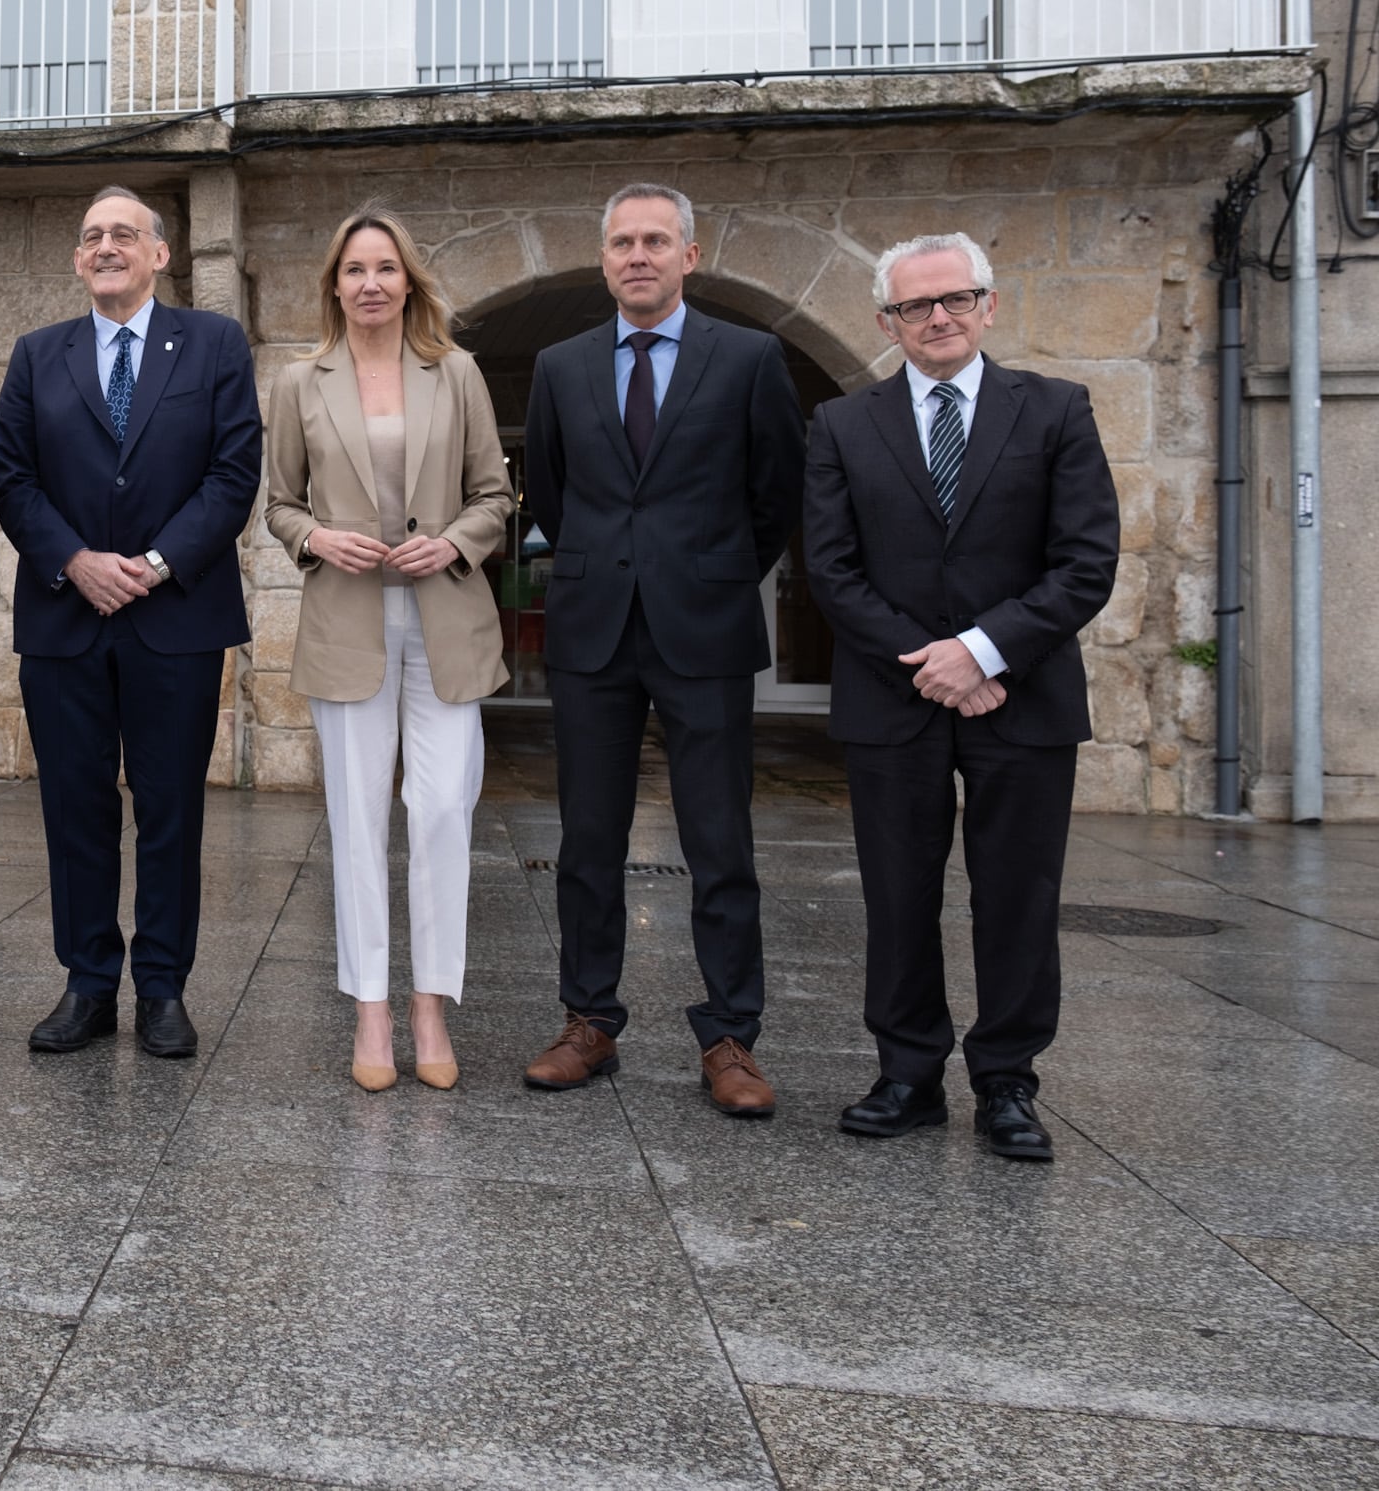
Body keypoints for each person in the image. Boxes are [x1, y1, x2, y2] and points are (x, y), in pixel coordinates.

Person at [804, 234, 1118, 1160]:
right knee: (897, 894)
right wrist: (931, 661)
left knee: (1017, 894)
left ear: (989, 304)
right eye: (914, 306)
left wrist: (981, 653)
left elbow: (1085, 561)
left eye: (955, 299)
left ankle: (1008, 1081)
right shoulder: (841, 425)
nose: (936, 317)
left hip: (1024, 695)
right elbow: (831, 569)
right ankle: (906, 1072)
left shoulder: (1057, 410)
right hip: (892, 697)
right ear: (886, 322)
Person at [519, 182, 806, 1115]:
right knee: (587, 838)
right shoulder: (559, 365)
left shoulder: (752, 357)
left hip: (706, 624)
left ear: (690, 254)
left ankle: (730, 1035)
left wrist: (705, 569)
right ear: (602, 259)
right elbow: (554, 499)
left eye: (655, 240)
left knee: (720, 839)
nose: (636, 255)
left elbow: (777, 495)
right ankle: (588, 1021)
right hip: (594, 626)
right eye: (620, 242)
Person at [0, 187, 260, 1061]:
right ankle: (88, 983)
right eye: (91, 235)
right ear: (78, 260)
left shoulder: (213, 344)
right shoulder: (38, 354)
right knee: (75, 808)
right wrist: (75, 560)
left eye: (123, 234)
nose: (105, 246)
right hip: (65, 617)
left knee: (171, 808)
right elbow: (11, 477)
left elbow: (233, 471)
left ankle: (164, 987)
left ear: (159, 254)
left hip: (175, 615)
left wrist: (151, 563)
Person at [264, 210, 513, 1092]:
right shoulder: (302, 381)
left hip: (445, 616)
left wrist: (452, 542)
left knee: (443, 808)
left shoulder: (458, 373)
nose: (371, 282)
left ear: (410, 281)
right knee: (359, 823)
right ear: (333, 284)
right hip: (348, 622)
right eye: (354, 269)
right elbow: (280, 503)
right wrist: (319, 540)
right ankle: (371, 1007)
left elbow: (494, 493)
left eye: (386, 267)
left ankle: (429, 1004)